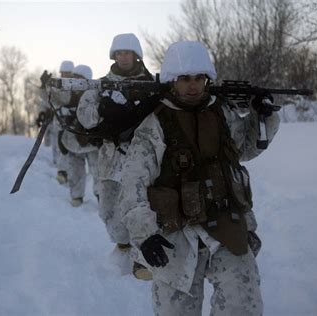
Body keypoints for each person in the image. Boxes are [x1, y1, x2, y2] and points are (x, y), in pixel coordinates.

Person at [120, 41, 280, 315]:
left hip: (226, 228)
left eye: (198, 78)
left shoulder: (222, 113)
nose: (193, 86)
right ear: (172, 81)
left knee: (243, 305)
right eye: (184, 79)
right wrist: (144, 235)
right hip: (174, 237)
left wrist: (261, 116)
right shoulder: (154, 125)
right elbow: (133, 185)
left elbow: (246, 148)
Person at [76, 33, 154, 279]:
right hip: (110, 158)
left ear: (136, 55)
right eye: (119, 53)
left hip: (143, 156)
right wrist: (102, 108)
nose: (123, 57)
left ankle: (145, 258)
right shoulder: (100, 86)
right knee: (108, 209)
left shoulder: (152, 85)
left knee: (145, 206)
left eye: (127, 52)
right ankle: (123, 245)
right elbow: (84, 118)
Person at [59, 64, 100, 207]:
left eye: (79, 79)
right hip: (73, 143)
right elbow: (61, 118)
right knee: (75, 171)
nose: (76, 81)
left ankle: (101, 197)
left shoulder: (95, 96)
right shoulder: (68, 95)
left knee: (98, 172)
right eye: (74, 78)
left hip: (92, 143)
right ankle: (76, 197)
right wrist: (62, 137)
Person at [50, 60, 75, 184]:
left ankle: (69, 173)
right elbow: (49, 100)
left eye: (68, 73)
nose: (65, 75)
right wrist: (43, 86)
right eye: (63, 73)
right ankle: (62, 172)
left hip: (73, 123)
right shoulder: (57, 86)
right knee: (60, 147)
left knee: (72, 149)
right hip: (59, 122)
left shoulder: (76, 86)